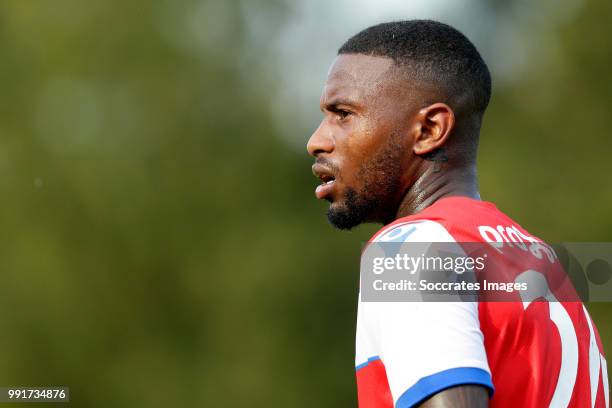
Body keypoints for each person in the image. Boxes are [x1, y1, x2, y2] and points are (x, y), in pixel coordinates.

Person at [307, 20, 608, 407]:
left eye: (343, 114)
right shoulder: (543, 263)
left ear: (430, 129)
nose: (317, 141)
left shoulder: (410, 251)